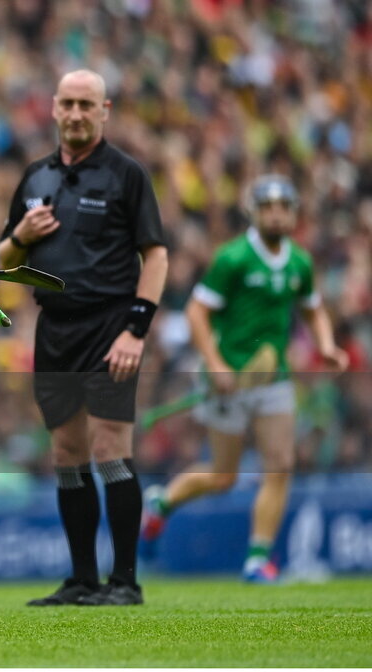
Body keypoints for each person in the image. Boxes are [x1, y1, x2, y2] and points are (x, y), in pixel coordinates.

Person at [0, 70, 168, 606]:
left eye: (86, 105)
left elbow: (156, 254)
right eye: (67, 103)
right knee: (67, 452)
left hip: (110, 326)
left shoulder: (126, 174)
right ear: (53, 108)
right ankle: (81, 580)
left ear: (104, 110)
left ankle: (125, 582)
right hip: (55, 330)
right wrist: (20, 238)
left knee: (111, 449)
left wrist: (135, 330)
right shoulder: (35, 177)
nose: (75, 113)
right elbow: (2, 261)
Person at [140, 174, 349, 583]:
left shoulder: (299, 262)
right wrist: (215, 364)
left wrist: (325, 343)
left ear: (293, 213)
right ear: (253, 212)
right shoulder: (232, 259)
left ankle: (257, 560)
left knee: (280, 466)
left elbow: (312, 308)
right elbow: (198, 314)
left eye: (283, 207)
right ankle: (162, 504)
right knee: (223, 476)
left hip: (273, 380)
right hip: (229, 379)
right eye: (267, 206)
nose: (275, 214)